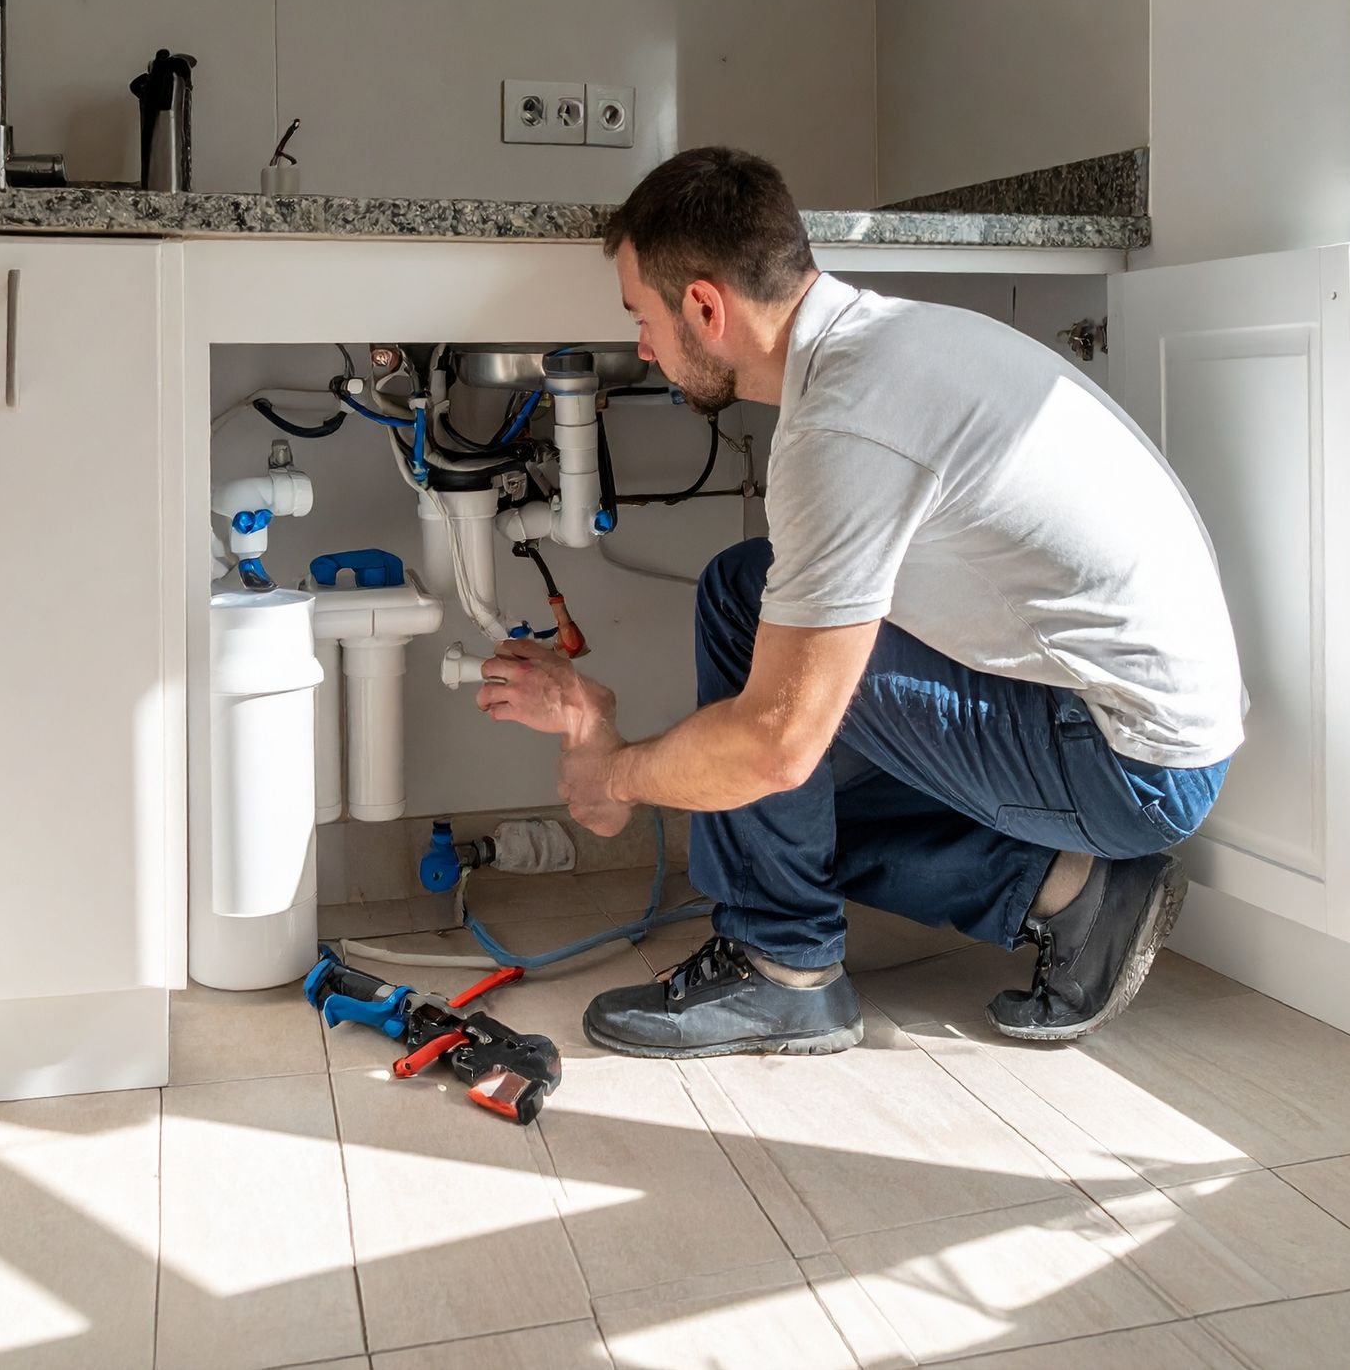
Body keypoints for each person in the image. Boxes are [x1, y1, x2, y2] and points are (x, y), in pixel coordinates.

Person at [476, 145, 1243, 1059]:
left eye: (641, 316)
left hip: (1127, 761)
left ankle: (780, 970)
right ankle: (1072, 887)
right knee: (760, 695)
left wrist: (616, 774)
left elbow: (774, 743)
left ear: (706, 307)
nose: (639, 347)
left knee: (766, 739)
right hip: (1127, 724)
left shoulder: (842, 422)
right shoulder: (890, 343)